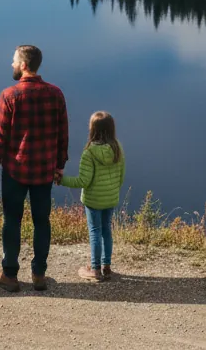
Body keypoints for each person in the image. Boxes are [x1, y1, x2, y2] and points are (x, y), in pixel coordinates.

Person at [0, 45, 68, 292]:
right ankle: (39, 274)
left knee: (12, 221)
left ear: (23, 65)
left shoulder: (9, 96)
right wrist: (59, 166)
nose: (11, 65)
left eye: (13, 61)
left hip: (15, 170)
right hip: (43, 171)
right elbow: (62, 133)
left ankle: (10, 275)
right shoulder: (56, 94)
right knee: (42, 221)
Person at [59, 111, 126, 282]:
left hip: (93, 201)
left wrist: (61, 180)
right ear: (112, 129)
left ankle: (95, 270)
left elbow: (83, 180)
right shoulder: (117, 148)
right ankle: (107, 266)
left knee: (95, 232)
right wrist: (113, 191)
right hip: (110, 198)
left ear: (92, 129)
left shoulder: (89, 152)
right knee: (106, 231)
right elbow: (121, 175)